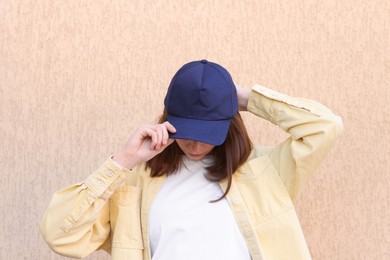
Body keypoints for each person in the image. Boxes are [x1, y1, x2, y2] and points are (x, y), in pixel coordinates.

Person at [40, 59, 343, 260]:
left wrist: (245, 98)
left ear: (229, 124)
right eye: (186, 131)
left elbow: (325, 127)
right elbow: (60, 236)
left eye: (209, 133)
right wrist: (123, 161)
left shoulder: (265, 170)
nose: (196, 144)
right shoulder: (135, 181)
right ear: (169, 119)